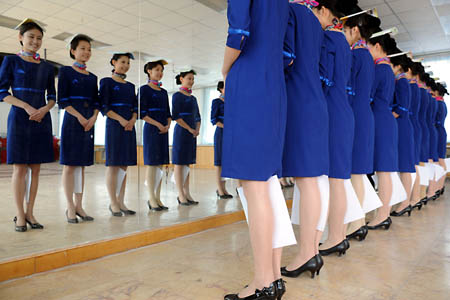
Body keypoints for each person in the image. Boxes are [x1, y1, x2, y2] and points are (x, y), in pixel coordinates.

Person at [221, 0, 289, 298]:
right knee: (266, 184)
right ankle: (273, 277)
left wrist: (226, 71)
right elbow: (288, 55)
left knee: (254, 186)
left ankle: (262, 282)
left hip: (248, 80)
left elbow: (238, 34)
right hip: (274, 85)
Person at [280, 0, 336, 280]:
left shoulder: (293, 12)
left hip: (299, 100)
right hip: (316, 101)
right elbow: (326, 74)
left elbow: (285, 56)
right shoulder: (318, 27)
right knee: (314, 180)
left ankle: (306, 254)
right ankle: (311, 251)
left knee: (307, 180)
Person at [0, 18, 56, 232]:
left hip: (41, 119)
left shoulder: (47, 67)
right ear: (20, 38)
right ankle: (20, 214)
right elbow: (2, 92)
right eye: (31, 37)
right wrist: (25, 106)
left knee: (36, 169)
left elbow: (52, 95)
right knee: (19, 169)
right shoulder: (11, 62)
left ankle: (31, 211)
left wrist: (45, 108)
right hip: (20, 118)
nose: (35, 41)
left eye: (39, 38)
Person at [342, 6, 380, 241]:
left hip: (354, 112)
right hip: (364, 113)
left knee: (354, 172)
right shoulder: (368, 57)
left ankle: (356, 222)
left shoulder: (355, 55)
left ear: (355, 31)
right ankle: (358, 220)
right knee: (358, 171)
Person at [58, 34, 99, 223]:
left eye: (89, 49)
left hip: (88, 124)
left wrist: (93, 117)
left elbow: (96, 101)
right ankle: (69, 207)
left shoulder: (93, 77)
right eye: (82, 48)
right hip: (72, 122)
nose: (86, 52)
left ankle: (79, 206)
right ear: (73, 51)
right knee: (69, 165)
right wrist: (81, 117)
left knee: (81, 167)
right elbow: (63, 100)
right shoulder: (65, 72)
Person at [366, 32, 398, 230]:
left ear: (377, 46)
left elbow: (369, 95)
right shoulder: (388, 70)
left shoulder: (379, 69)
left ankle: (383, 214)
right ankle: (383, 213)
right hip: (385, 119)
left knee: (383, 171)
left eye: (369, 47)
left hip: (380, 120)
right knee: (384, 171)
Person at [99, 52, 137, 217]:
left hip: (129, 127)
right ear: (114, 62)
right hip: (114, 126)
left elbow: (136, 108)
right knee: (113, 165)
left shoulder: (130, 86)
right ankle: (113, 202)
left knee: (124, 165)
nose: (125, 65)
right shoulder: (106, 82)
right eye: (122, 62)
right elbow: (104, 107)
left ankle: (121, 201)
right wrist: (121, 120)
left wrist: (133, 120)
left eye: (128, 63)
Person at [140, 59, 171, 211]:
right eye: (157, 70)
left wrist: (168, 124)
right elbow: (142, 114)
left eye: (161, 70)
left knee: (160, 164)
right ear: (149, 71)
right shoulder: (144, 89)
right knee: (152, 164)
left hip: (164, 130)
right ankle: (151, 198)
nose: (159, 73)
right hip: (152, 129)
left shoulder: (164, 92)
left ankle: (158, 198)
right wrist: (158, 124)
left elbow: (168, 112)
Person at [389, 54, 415, 217]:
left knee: (405, 166)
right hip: (401, 125)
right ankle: (403, 201)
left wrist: (386, 117)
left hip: (402, 125)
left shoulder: (402, 82)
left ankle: (405, 202)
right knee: (402, 166)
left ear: (398, 66)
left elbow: (402, 108)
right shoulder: (401, 81)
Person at [172, 70, 200, 206]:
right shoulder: (177, 95)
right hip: (182, 132)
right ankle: (180, 194)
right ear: (181, 79)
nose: (191, 81)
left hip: (192, 133)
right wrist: (189, 129)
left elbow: (198, 116)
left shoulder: (193, 98)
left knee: (187, 163)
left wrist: (197, 129)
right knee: (179, 163)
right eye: (189, 78)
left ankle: (187, 192)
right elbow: (176, 116)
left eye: (193, 79)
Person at [211, 81, 232, 199]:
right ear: (220, 89)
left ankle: (224, 188)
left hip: (230, 135)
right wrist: (227, 127)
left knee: (226, 163)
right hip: (221, 133)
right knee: (219, 163)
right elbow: (213, 120)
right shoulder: (216, 102)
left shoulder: (232, 102)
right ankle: (219, 189)